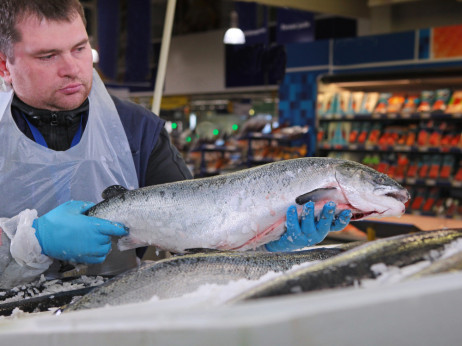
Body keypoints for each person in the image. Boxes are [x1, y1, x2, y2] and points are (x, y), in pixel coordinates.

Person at [0, 0, 351, 289]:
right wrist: (36, 240)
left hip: (114, 318)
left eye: (79, 49)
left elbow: (198, 230)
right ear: (5, 66)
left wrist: (265, 237)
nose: (72, 68)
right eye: (47, 56)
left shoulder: (137, 129)